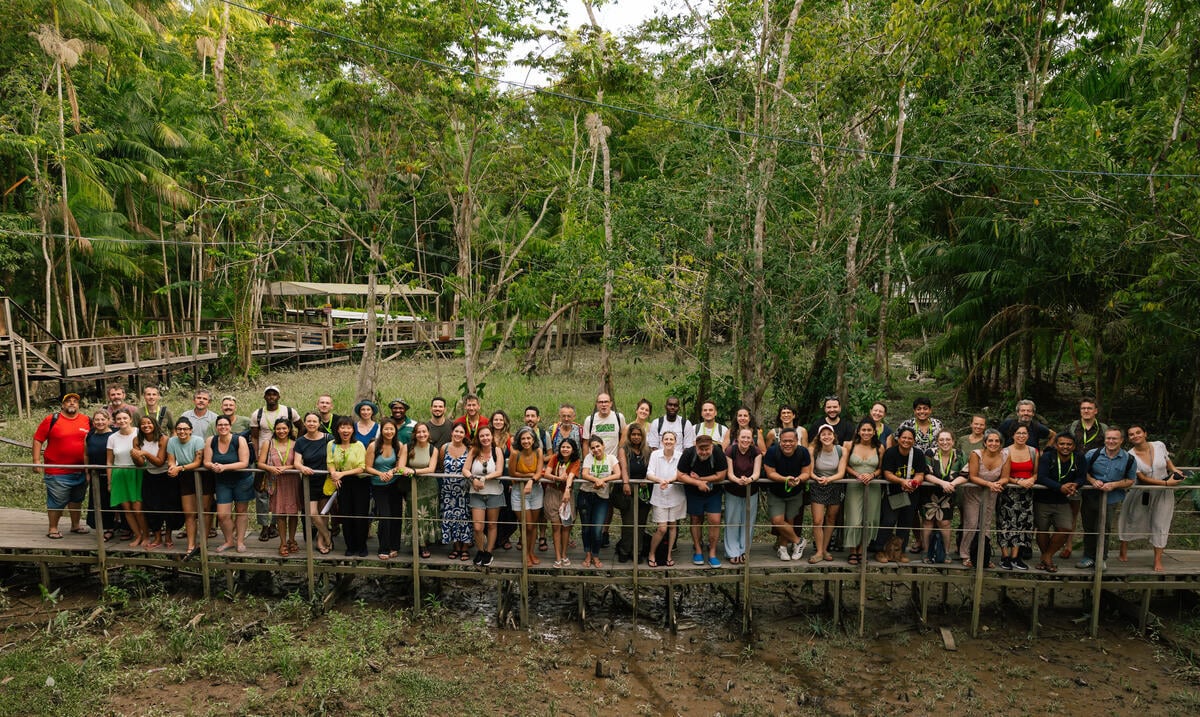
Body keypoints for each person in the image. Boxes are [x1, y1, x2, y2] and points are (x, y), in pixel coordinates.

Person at [1118, 423, 1184, 572]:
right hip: (1142, 491)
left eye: (1138, 432)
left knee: (1161, 523)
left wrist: (1174, 470)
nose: (1135, 436)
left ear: (1145, 433)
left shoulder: (1159, 445)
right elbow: (1142, 478)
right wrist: (1166, 483)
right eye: (1131, 434)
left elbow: (1167, 461)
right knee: (1131, 518)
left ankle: (1157, 560)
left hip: (1164, 493)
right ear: (1128, 438)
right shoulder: (1130, 455)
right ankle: (1123, 549)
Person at [32, 392, 91, 539]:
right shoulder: (52, 419)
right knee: (57, 501)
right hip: (57, 470)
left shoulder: (87, 420)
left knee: (77, 499)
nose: (72, 403)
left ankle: (75, 525)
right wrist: (36, 460)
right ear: (63, 405)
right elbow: (38, 439)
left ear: (78, 405)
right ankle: (53, 528)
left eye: (75, 401)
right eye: (68, 401)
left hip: (81, 469)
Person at [1079, 427, 1137, 569]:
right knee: (1089, 527)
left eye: (1114, 438)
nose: (1111, 441)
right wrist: (1092, 481)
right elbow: (1082, 473)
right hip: (1090, 496)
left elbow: (1130, 480)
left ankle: (1101, 558)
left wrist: (1114, 484)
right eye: (1108, 438)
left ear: (1121, 440)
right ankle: (1088, 557)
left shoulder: (1128, 459)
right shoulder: (1093, 454)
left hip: (1111, 498)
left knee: (1104, 528)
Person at [870, 426, 927, 562]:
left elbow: (920, 474)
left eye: (910, 438)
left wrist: (914, 483)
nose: (906, 440)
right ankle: (880, 550)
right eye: (904, 438)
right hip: (893, 493)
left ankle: (900, 551)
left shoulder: (918, 454)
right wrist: (902, 481)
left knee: (905, 523)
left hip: (911, 494)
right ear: (899, 438)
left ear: (914, 440)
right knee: (888, 521)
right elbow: (887, 473)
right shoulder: (891, 453)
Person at [1060, 398, 1107, 560]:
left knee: (1092, 514)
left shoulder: (1103, 429)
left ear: (1096, 411)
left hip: (1096, 475)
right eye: (1083, 408)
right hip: (1074, 473)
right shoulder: (1072, 427)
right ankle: (1069, 544)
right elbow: (1061, 444)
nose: (1086, 411)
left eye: (1089, 408)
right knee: (1072, 511)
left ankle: (1093, 551)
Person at [1034, 433, 1084, 572]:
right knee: (1042, 529)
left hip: (1063, 501)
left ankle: (1046, 556)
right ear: (1056, 445)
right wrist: (1060, 487)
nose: (1065, 447)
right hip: (1043, 499)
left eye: (1069, 444)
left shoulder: (1079, 458)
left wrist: (1075, 485)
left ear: (1073, 446)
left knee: (1065, 527)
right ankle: (1047, 560)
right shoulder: (1048, 457)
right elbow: (1041, 477)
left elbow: (1082, 476)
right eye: (1062, 444)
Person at [676, 433, 728, 568]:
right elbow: (680, 475)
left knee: (715, 520)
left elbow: (721, 475)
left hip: (713, 492)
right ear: (696, 446)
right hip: (694, 492)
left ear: (712, 447)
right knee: (696, 519)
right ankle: (698, 550)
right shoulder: (688, 453)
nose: (704, 452)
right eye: (701, 449)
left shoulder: (718, 452)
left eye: (707, 449)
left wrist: (701, 479)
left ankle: (712, 553)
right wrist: (697, 483)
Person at [203, 415, 252, 553]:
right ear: (216, 427)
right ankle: (229, 540)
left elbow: (244, 463)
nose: (223, 427)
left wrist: (224, 467)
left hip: (241, 480)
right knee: (222, 515)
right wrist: (212, 465)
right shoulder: (211, 440)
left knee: (241, 511)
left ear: (230, 427)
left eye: (226, 425)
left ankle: (240, 541)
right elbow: (206, 461)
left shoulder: (239, 440)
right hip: (222, 482)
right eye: (220, 425)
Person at [762, 428, 811, 561]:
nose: (787, 444)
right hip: (776, 492)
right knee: (777, 521)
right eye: (784, 441)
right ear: (780, 441)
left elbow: (807, 472)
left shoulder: (803, 452)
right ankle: (799, 541)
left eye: (791, 441)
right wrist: (785, 479)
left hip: (795, 492)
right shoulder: (772, 451)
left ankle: (783, 549)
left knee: (789, 521)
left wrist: (799, 479)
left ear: (797, 441)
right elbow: (770, 473)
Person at [920, 429, 967, 564]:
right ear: (937, 441)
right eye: (941, 440)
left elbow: (966, 473)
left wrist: (951, 484)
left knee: (945, 523)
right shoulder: (930, 453)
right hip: (930, 492)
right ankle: (926, 552)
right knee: (927, 521)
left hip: (949, 493)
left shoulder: (959, 454)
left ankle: (946, 552)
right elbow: (926, 473)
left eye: (948, 439)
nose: (945, 442)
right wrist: (942, 483)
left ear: (953, 441)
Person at [259, 417, 303, 557]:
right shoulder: (269, 443)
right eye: (278, 429)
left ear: (289, 429)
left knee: (293, 512)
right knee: (280, 514)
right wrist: (270, 468)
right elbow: (260, 463)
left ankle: (292, 539)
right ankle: (283, 542)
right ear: (275, 430)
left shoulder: (296, 444)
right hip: (276, 482)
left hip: (292, 481)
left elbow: (298, 463)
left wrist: (287, 467)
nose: (281, 431)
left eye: (284, 428)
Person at [365, 418, 407, 561]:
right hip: (378, 486)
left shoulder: (399, 445)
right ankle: (383, 547)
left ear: (395, 431)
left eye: (392, 429)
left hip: (394, 485)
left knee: (396, 515)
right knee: (384, 516)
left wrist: (392, 471)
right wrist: (380, 474)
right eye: (386, 429)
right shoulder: (373, 446)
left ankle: (394, 546)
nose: (389, 432)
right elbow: (368, 467)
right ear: (381, 430)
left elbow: (400, 465)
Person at [997, 424, 1038, 570]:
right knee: (1006, 523)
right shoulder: (1005, 452)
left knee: (1022, 524)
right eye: (1018, 433)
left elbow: (1036, 472)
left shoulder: (1033, 451)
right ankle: (1005, 556)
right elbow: (1003, 474)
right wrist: (1018, 481)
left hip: (1026, 494)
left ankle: (1016, 557)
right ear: (1013, 435)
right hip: (1008, 493)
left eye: (1024, 433)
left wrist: (1032, 480)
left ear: (1028, 435)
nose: (1021, 436)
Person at [961, 429, 1005, 566]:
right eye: (990, 440)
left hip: (991, 493)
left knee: (985, 525)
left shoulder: (1005, 456)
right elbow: (972, 476)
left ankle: (983, 555)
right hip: (974, 492)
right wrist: (988, 484)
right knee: (972, 523)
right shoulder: (976, 454)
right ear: (985, 442)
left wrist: (998, 484)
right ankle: (965, 554)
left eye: (997, 441)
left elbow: (1005, 477)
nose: (993, 443)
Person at [843, 419, 884, 565]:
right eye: (863, 430)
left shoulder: (879, 447)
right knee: (854, 519)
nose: (866, 433)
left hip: (873, 486)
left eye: (869, 430)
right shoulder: (850, 445)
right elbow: (844, 466)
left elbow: (881, 468)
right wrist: (856, 474)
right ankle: (853, 551)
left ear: (874, 432)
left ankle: (862, 550)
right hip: (854, 485)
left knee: (870, 518)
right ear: (858, 431)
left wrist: (872, 475)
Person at [165, 417, 206, 561]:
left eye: (185, 429)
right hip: (184, 477)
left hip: (200, 475)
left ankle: (203, 544)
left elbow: (197, 461)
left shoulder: (198, 440)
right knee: (189, 512)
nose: (182, 431)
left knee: (204, 512)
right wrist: (172, 467)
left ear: (190, 430)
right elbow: (171, 458)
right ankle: (190, 545)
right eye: (179, 429)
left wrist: (179, 468)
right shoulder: (172, 441)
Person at [327, 417, 368, 558]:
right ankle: (350, 546)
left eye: (348, 427)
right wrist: (333, 473)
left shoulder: (359, 445)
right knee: (346, 515)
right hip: (342, 484)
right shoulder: (332, 444)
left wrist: (341, 474)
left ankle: (362, 546)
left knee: (360, 516)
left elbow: (361, 467)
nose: (345, 430)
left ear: (353, 430)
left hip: (359, 482)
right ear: (337, 430)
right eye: (342, 427)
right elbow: (330, 462)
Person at [107, 409, 148, 548]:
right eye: (119, 419)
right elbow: (109, 461)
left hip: (136, 472)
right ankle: (138, 535)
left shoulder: (139, 432)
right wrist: (109, 481)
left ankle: (146, 535)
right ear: (115, 421)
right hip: (119, 473)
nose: (122, 421)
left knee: (137, 507)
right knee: (127, 509)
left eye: (125, 418)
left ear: (130, 419)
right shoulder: (112, 438)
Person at [294, 412, 334, 554]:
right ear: (304, 423)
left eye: (314, 421)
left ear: (319, 424)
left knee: (324, 514)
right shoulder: (300, 441)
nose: (311, 424)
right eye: (309, 421)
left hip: (326, 481)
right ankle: (327, 536)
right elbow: (296, 462)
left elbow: (334, 457)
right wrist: (302, 467)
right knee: (312, 513)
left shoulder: (328, 439)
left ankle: (320, 541)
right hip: (309, 481)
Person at [807, 424, 848, 563]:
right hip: (818, 484)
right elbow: (810, 471)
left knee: (831, 518)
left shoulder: (841, 450)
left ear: (833, 435)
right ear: (819, 437)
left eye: (829, 434)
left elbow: (841, 472)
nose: (826, 436)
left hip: (835, 484)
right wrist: (817, 478)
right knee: (818, 520)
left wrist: (829, 479)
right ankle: (818, 551)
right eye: (823, 434)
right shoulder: (813, 449)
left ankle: (824, 549)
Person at [132, 414, 174, 550]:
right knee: (151, 507)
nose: (146, 426)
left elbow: (160, 462)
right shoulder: (137, 440)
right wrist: (136, 456)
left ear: (154, 424)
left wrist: (144, 453)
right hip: (149, 476)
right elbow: (140, 464)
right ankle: (157, 537)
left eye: (149, 423)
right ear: (139, 427)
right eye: (143, 424)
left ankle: (168, 536)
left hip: (166, 476)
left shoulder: (163, 439)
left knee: (168, 506)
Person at [465, 425, 505, 567]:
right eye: (482, 436)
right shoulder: (474, 451)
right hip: (476, 494)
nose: (485, 438)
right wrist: (472, 479)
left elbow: (499, 471)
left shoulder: (497, 451)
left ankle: (489, 552)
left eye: (487, 435)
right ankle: (480, 550)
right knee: (478, 527)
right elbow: (465, 469)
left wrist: (484, 478)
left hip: (494, 492)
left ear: (492, 437)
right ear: (478, 438)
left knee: (492, 524)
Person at [579, 435, 621, 568]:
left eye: (598, 446)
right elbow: (584, 474)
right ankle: (588, 554)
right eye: (593, 448)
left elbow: (618, 474)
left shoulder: (611, 458)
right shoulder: (588, 458)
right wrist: (595, 480)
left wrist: (603, 480)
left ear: (603, 446)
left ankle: (595, 555)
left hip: (602, 497)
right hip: (586, 495)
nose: (596, 449)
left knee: (597, 529)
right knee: (586, 528)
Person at [724, 426, 762, 565]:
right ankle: (732, 551)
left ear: (752, 439)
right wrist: (738, 480)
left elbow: (757, 473)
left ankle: (744, 550)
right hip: (733, 489)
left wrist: (750, 479)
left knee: (748, 521)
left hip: (751, 490)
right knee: (732, 520)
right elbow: (730, 473)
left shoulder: (756, 451)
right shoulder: (730, 450)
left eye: (748, 437)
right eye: (743, 437)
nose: (745, 440)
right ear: (737, 438)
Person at [615, 423, 653, 563]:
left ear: (642, 436)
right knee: (629, 523)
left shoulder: (647, 451)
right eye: (633, 434)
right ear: (629, 436)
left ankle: (637, 551)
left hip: (644, 491)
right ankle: (624, 550)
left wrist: (647, 479)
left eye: (638, 434)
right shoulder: (624, 449)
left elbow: (651, 468)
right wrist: (626, 483)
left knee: (641, 523)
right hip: (629, 490)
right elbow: (624, 467)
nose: (636, 437)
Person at [508, 426, 545, 568]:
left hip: (535, 490)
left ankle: (531, 552)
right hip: (519, 492)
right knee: (527, 525)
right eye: (523, 438)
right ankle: (525, 553)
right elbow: (512, 473)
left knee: (533, 525)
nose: (526, 441)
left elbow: (539, 472)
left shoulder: (538, 452)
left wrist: (531, 480)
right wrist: (529, 476)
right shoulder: (515, 453)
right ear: (519, 440)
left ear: (533, 439)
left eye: (528, 438)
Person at [647, 431, 684, 567]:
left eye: (671, 439)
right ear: (662, 441)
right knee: (662, 528)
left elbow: (680, 473)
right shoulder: (655, 455)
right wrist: (660, 480)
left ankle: (668, 555)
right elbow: (649, 472)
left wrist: (668, 480)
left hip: (676, 495)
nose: (668, 441)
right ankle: (652, 553)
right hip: (659, 495)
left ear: (676, 441)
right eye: (666, 439)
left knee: (673, 526)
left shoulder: (680, 456)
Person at [542, 438, 580, 567]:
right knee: (556, 526)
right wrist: (557, 478)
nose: (565, 449)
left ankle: (564, 554)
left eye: (568, 447)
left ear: (573, 449)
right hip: (552, 492)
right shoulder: (555, 458)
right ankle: (557, 556)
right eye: (563, 447)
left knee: (566, 526)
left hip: (566, 494)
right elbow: (546, 473)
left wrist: (568, 490)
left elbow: (570, 476)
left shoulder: (575, 461)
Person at [85, 409, 121, 538]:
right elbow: (86, 454)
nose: (100, 422)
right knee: (97, 500)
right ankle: (102, 526)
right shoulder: (90, 434)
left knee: (112, 500)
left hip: (112, 472)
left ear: (109, 420)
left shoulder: (115, 434)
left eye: (102, 419)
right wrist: (87, 472)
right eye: (97, 420)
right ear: (93, 421)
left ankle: (113, 527)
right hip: (95, 473)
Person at [406, 422, 441, 559]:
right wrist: (408, 471)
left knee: (429, 514)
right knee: (417, 514)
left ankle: (428, 540)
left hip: (430, 487)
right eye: (419, 432)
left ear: (428, 433)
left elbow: (431, 469)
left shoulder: (433, 449)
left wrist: (414, 471)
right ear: (415, 434)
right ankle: (420, 544)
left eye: (424, 432)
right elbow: (401, 466)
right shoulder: (407, 447)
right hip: (413, 486)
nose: (422, 434)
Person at [439, 423, 473, 561]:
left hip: (463, 491)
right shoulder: (444, 448)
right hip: (448, 491)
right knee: (450, 517)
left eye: (461, 432)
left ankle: (465, 547)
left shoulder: (469, 449)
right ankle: (455, 547)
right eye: (456, 431)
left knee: (464, 518)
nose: (458, 434)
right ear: (452, 432)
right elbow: (441, 465)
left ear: (464, 434)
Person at [490, 410, 519, 551]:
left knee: (507, 509)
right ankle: (493, 538)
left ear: (505, 422)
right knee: (493, 509)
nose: (498, 422)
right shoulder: (486, 436)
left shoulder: (510, 439)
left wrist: (513, 480)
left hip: (506, 478)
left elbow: (515, 459)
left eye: (501, 420)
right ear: (492, 421)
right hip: (490, 478)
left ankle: (505, 537)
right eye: (496, 419)